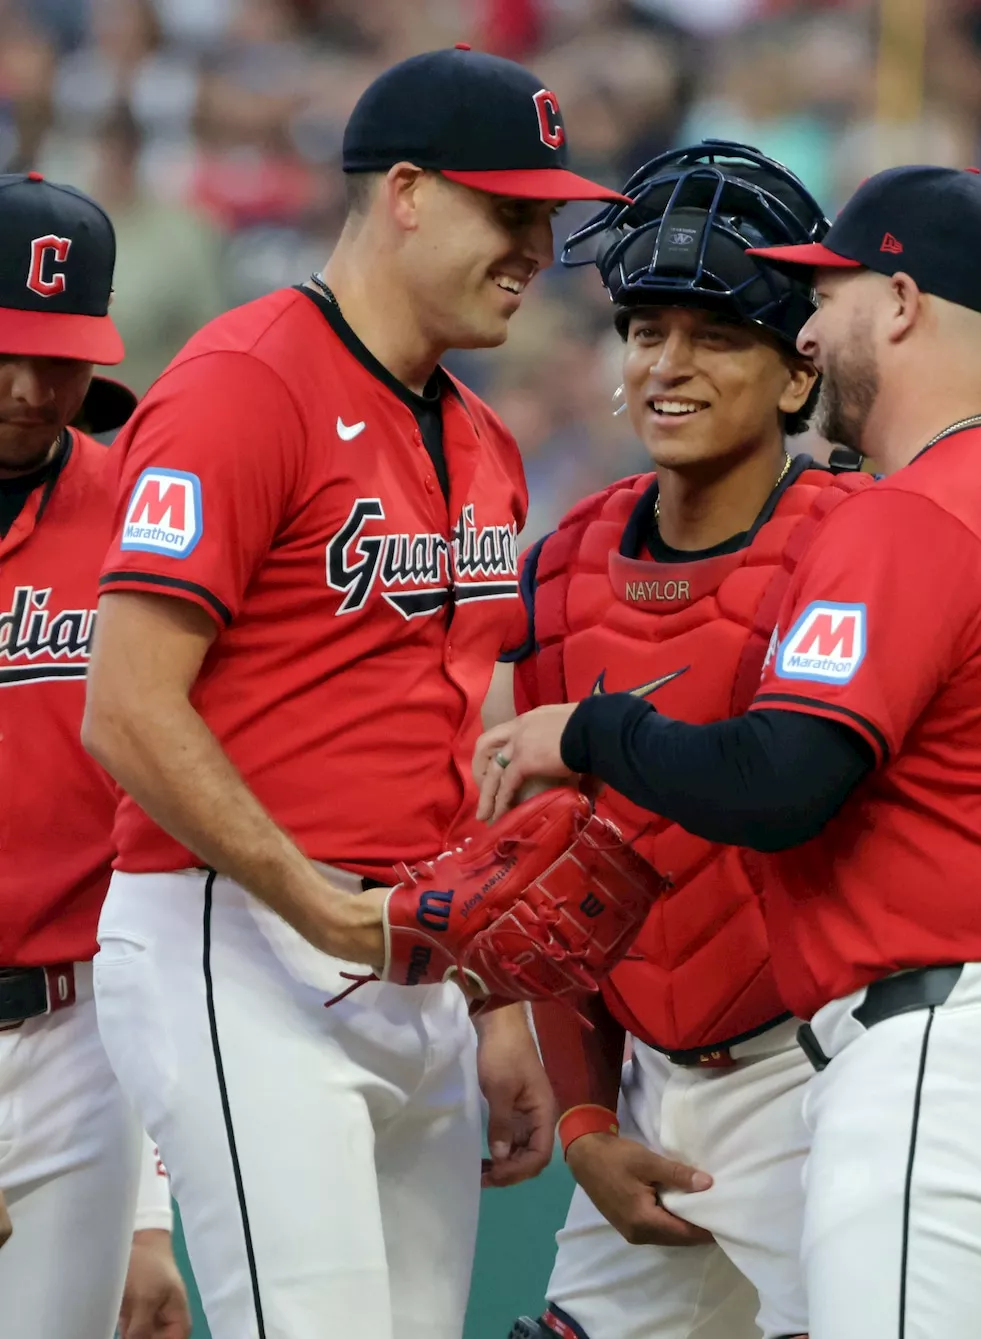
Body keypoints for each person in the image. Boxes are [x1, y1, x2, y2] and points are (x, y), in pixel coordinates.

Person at [475, 166, 981, 1339]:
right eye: (646, 331)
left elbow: (784, 782)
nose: (809, 322)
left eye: (824, 297)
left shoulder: (913, 510)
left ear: (896, 303)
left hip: (939, 1058)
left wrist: (594, 732)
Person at [80, 47, 625, 1339]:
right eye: (512, 210)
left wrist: (492, 1001)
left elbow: (456, 731)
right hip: (234, 936)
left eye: (548, 217)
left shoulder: (484, 442)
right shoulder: (243, 381)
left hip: (414, 956)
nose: (537, 247)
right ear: (408, 192)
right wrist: (318, 901)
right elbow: (126, 705)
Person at [500, 141, 864, 1339]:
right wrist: (586, 1120)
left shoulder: (858, 547)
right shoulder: (561, 566)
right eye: (644, 328)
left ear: (795, 377)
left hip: (819, 1078)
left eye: (713, 334)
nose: (667, 363)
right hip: (651, 1085)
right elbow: (546, 871)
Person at [0, 171, 190, 1339]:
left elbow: (170, 861)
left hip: (87, 1037)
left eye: (58, 354)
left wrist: (150, 1209)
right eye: (3, 349)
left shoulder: (143, 514)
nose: (29, 389)